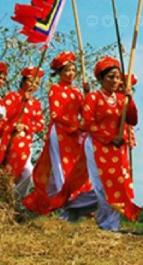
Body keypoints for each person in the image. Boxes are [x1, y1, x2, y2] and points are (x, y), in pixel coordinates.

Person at [22, 51, 94, 219]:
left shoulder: (77, 92)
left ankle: (36, 205)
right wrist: (75, 125)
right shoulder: (55, 89)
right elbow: (56, 114)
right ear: (60, 72)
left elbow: (86, 113)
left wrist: (87, 94)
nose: (71, 73)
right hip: (60, 131)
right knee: (62, 167)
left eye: (73, 70)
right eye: (67, 70)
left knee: (73, 168)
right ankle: (67, 208)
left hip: (75, 133)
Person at [82, 56, 141, 231]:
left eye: (117, 77)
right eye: (110, 77)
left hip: (117, 147)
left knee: (117, 183)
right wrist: (109, 137)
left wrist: (130, 100)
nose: (115, 81)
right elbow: (88, 124)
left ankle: (112, 224)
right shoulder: (93, 97)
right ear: (101, 78)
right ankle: (104, 222)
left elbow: (133, 120)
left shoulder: (122, 99)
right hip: (97, 144)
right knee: (101, 185)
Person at [0, 66, 45, 198]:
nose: (34, 85)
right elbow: (4, 116)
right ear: (23, 81)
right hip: (10, 140)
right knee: (9, 172)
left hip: (26, 143)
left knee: (28, 173)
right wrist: (21, 101)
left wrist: (26, 127)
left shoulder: (36, 103)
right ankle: (6, 199)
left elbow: (40, 124)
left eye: (37, 83)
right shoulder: (12, 96)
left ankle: (15, 199)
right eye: (31, 81)